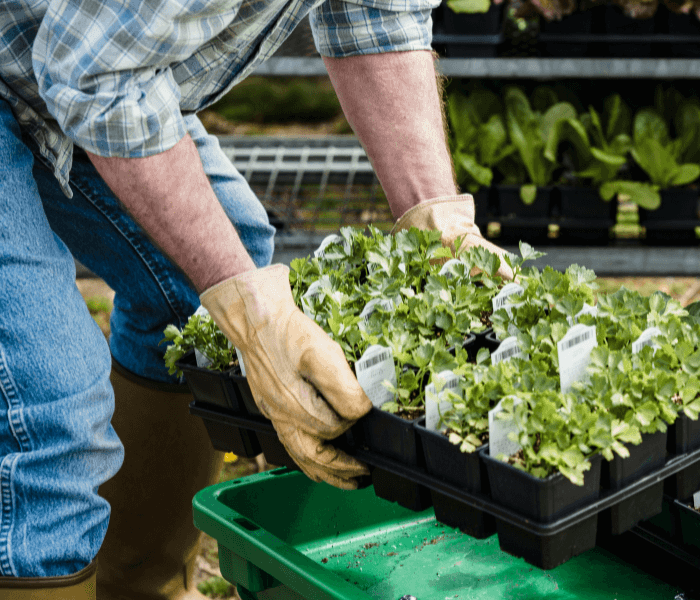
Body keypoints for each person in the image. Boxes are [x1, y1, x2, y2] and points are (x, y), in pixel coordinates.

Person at [0, 0, 507, 597]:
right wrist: (245, 305)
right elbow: (97, 74)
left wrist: (435, 215)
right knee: (49, 407)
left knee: (198, 293)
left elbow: (377, 15)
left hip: (51, 65)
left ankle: (138, 588)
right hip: (63, 66)